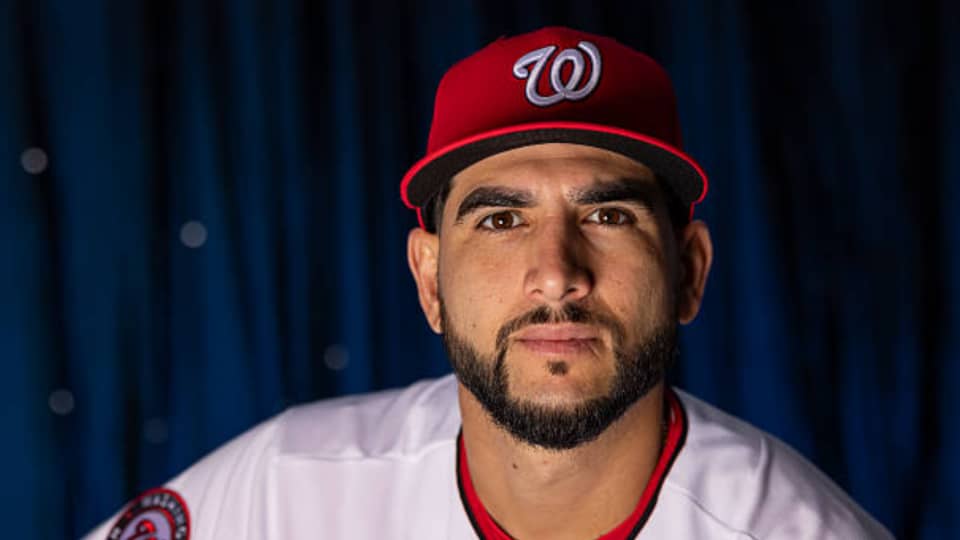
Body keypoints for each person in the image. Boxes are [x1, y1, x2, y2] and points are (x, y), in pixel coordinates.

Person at [85, 26, 893, 539]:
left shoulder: (797, 529)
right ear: (429, 280)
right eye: (501, 219)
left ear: (689, 272)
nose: (557, 274)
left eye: (608, 215)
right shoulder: (287, 486)